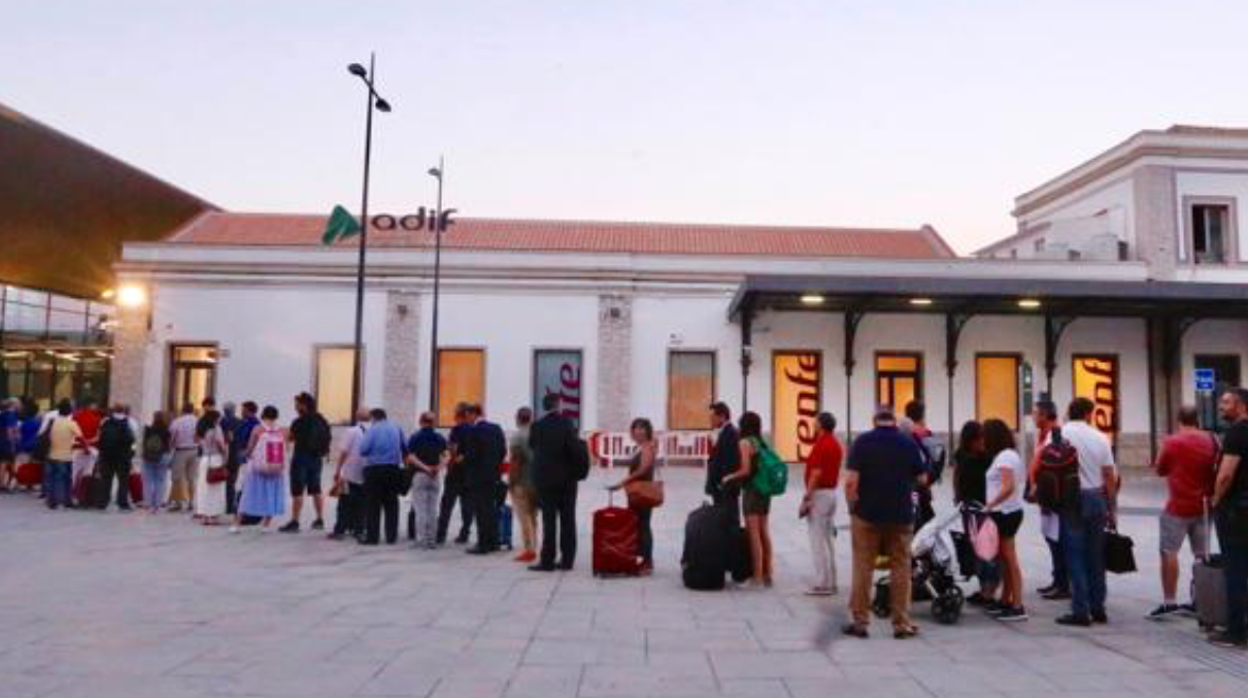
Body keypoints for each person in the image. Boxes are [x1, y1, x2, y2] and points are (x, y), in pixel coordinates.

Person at [842, 406, 927, 640]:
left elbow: (851, 482)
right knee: (901, 567)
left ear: (874, 420)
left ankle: (860, 622)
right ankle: (901, 623)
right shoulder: (907, 443)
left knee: (863, 566)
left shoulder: (862, 442)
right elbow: (922, 477)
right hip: (900, 514)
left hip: (867, 514)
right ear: (894, 422)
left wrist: (853, 508)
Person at [1147, 405, 1218, 620]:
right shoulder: (1213, 440)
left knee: (1169, 552)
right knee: (1201, 554)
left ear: (1179, 419)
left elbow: (1160, 469)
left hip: (1177, 506)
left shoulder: (1172, 441)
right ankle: (1198, 600)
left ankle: (1170, 602)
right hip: (1204, 506)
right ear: (1197, 419)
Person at [1055, 397, 1119, 627]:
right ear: (1089, 414)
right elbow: (1109, 475)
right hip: (1096, 497)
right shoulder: (1101, 438)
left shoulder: (1060, 434)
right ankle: (1098, 606)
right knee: (1096, 556)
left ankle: (1080, 610)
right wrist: (1112, 507)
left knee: (1074, 555)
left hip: (1070, 499)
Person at [1210, 388, 1248, 647]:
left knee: (1235, 570)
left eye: (1226, 402)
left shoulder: (1236, 432)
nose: (1221, 406)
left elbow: (1225, 475)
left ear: (1241, 405)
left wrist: (1216, 499)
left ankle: (1237, 631)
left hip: (1236, 511)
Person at [529, 393, 581, 571]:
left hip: (546, 481)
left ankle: (547, 560)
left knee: (549, 521)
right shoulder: (568, 424)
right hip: (567, 481)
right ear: (559, 405)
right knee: (568, 520)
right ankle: (567, 560)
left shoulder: (537, 426)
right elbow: (574, 449)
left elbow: (533, 446)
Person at [982, 419, 1027, 622]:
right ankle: (1007, 600)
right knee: (1006, 559)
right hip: (1008, 512)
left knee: (1010, 560)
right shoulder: (1007, 455)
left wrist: (990, 505)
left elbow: (1008, 486)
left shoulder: (1005, 457)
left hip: (1005, 513)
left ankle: (1017, 605)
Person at [723, 411, 774, 587]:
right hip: (765, 491)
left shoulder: (745, 442)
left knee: (753, 534)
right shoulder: (761, 442)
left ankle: (757, 577)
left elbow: (745, 470)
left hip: (752, 491)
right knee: (764, 531)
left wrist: (729, 477)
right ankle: (768, 573)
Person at [952, 420, 998, 606]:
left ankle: (990, 590)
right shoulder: (962, 454)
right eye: (979, 438)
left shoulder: (987, 457)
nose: (983, 441)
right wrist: (957, 496)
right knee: (976, 549)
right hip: (968, 506)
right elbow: (956, 475)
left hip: (983, 507)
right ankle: (983, 587)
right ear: (971, 440)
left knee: (987, 550)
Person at [1028, 399, 1070, 600]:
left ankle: (1062, 583)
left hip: (1054, 496)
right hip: (1045, 494)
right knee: (1051, 537)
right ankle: (1057, 580)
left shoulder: (1056, 434)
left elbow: (1054, 464)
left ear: (1045, 415)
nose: (1033, 417)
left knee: (1057, 538)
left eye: (1036, 413)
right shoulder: (1043, 434)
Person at [608, 417, 659, 573]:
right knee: (637, 524)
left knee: (643, 525)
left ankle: (647, 562)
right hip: (635, 491)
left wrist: (622, 482)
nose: (638, 431)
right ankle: (639, 558)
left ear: (647, 431)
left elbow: (642, 470)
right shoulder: (639, 447)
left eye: (642, 428)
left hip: (642, 490)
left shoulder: (647, 446)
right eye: (635, 428)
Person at [802, 412, 842, 596]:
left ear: (821, 425)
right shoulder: (835, 443)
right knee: (827, 540)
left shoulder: (821, 444)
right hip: (831, 493)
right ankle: (831, 580)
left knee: (817, 540)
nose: (814, 424)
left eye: (816, 422)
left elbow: (816, 473)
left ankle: (822, 583)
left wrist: (807, 497)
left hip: (820, 495)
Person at [281, 392, 331, 533]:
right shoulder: (321, 419)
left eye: (297, 404)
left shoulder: (299, 421)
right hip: (316, 459)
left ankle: (295, 521)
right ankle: (319, 519)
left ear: (303, 405)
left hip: (301, 459)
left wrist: (286, 436)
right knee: (316, 489)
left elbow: (290, 438)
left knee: (297, 490)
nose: (295, 406)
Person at [358, 407, 406, 546]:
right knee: (392, 503)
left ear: (373, 418)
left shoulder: (372, 430)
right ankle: (391, 537)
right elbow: (405, 447)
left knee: (373, 504)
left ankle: (372, 537)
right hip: (393, 469)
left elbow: (363, 450)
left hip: (375, 470)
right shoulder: (397, 428)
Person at [463, 404, 507, 555]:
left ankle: (483, 544)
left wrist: (464, 460)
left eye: (467, 415)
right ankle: (493, 542)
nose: (466, 419)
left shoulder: (474, 431)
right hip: (494, 475)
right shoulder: (496, 428)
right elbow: (503, 451)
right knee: (491, 509)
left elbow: (471, 456)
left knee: (481, 510)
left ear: (474, 414)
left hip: (478, 477)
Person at [236, 405, 288, 531]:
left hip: (257, 468)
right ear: (276, 416)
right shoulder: (282, 430)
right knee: (271, 494)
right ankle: (265, 525)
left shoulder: (258, 429)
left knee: (248, 494)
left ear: (263, 415)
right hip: (276, 469)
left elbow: (250, 448)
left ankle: (236, 524)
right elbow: (286, 450)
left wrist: (243, 455)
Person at [407, 411, 447, 549]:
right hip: (435, 477)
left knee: (420, 509)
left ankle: (422, 540)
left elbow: (411, 457)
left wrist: (425, 468)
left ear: (421, 421)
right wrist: (438, 468)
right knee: (433, 509)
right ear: (434, 423)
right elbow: (447, 456)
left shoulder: (415, 437)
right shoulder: (440, 438)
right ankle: (432, 540)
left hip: (420, 475)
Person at [437, 403, 475, 544]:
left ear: (458, 415)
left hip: (456, 473)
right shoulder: (473, 429)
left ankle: (441, 534)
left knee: (447, 504)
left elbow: (453, 449)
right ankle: (464, 534)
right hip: (469, 472)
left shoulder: (457, 429)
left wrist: (450, 465)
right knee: (467, 505)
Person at [330, 408, 370, 541]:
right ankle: (359, 529)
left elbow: (344, 452)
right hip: (366, 472)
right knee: (362, 503)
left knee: (345, 502)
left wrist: (337, 470)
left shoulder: (351, 431)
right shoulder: (373, 431)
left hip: (350, 472)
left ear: (356, 417)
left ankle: (340, 530)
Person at [902, 400, 942, 529]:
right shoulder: (926, 434)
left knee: (920, 517)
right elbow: (938, 458)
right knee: (925, 520)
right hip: (922, 485)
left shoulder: (902, 433)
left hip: (907, 486)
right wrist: (929, 479)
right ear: (922, 415)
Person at [508, 407, 539, 563]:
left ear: (518, 418)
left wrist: (511, 481)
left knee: (524, 517)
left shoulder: (517, 436)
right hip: (537, 481)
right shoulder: (538, 434)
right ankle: (535, 545)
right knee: (533, 517)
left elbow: (516, 461)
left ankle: (529, 550)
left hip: (522, 482)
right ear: (531, 418)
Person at [707, 402, 742, 527]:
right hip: (720, 485)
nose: (710, 420)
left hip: (726, 486)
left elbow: (731, 463)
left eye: (712, 417)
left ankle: (731, 545)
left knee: (729, 520)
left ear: (722, 416)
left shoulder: (731, 433)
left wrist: (722, 483)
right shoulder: (722, 432)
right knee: (721, 519)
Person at [41, 399, 81, 510]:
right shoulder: (71, 423)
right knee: (64, 479)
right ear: (70, 411)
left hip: (51, 454)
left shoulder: (53, 421)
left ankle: (51, 501)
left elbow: (43, 434)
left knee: (51, 478)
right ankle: (65, 501)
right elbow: (80, 437)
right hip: (65, 456)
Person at [96, 404, 137, 511]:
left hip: (107, 455)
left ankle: (102, 502)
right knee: (123, 480)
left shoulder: (105, 421)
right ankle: (122, 502)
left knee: (106, 480)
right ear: (123, 410)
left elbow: (99, 436)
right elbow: (133, 438)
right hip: (123, 456)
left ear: (113, 410)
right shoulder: (129, 421)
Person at [194, 409, 229, 524]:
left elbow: (197, 441)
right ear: (214, 418)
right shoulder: (216, 429)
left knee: (204, 488)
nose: (220, 419)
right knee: (215, 488)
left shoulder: (202, 429)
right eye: (218, 417)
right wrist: (225, 454)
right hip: (215, 459)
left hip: (204, 459)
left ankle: (204, 516)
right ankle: (213, 516)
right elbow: (220, 444)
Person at [168, 402, 199, 512]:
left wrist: (170, 448)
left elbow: (173, 436)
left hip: (181, 451)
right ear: (192, 410)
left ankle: (178, 502)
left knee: (177, 477)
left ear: (183, 409)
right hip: (194, 450)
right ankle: (191, 502)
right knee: (191, 478)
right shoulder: (197, 420)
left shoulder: (177, 421)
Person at [231, 402, 261, 515]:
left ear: (249, 411)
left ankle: (245, 512)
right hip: (242, 456)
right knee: (240, 484)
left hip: (248, 458)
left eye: (243, 410)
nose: (241, 412)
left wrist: (245, 452)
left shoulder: (255, 424)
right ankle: (240, 509)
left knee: (244, 484)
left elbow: (252, 441)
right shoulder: (245, 422)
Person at [70, 399, 101, 506]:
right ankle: (83, 498)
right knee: (87, 474)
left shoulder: (75, 417)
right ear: (90, 406)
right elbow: (98, 436)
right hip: (92, 450)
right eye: (94, 405)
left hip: (77, 448)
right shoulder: (97, 419)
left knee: (74, 474)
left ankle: (73, 497)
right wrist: (88, 442)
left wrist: (83, 442)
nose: (95, 407)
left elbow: (73, 435)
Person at [140, 411, 172, 513]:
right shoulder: (167, 431)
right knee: (160, 481)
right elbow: (169, 445)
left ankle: (148, 503)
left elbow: (143, 443)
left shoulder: (148, 429)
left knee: (148, 480)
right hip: (163, 456)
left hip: (148, 456)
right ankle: (157, 505)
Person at [219, 402, 241, 514]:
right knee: (231, 482)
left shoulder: (221, 422)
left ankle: (227, 505)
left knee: (222, 482)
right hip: (235, 455)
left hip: (224, 454)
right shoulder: (239, 421)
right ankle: (230, 505)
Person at [0, 397, 19, 492]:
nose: (19, 405)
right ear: (13, 405)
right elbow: (10, 430)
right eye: (18, 403)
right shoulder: (11, 415)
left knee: (3, 463)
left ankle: (3, 484)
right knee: (11, 464)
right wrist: (13, 443)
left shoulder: (2, 414)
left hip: (1, 441)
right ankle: (9, 485)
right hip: (8, 443)